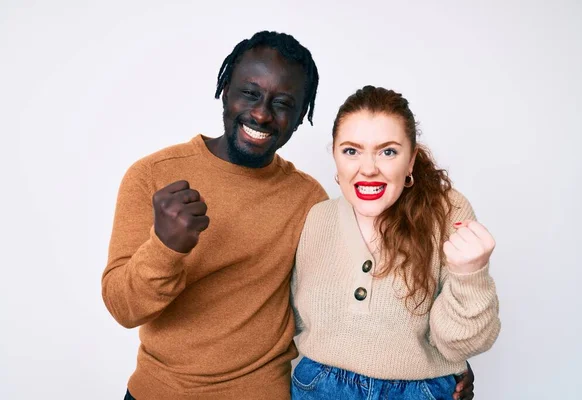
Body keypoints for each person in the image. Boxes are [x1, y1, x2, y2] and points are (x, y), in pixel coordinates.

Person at [101, 30, 476, 400]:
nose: (262, 113)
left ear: (301, 117)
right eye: (250, 93)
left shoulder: (308, 199)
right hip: (159, 392)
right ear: (225, 90)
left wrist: (442, 364)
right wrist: (166, 247)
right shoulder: (153, 175)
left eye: (282, 103)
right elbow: (124, 309)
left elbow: (349, 298)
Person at [291, 86, 500, 400]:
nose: (369, 167)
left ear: (411, 159)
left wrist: (472, 274)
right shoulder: (316, 218)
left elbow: (461, 343)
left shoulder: (448, 212)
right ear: (334, 154)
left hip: (419, 391)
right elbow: (287, 320)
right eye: (351, 151)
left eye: (388, 151)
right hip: (319, 387)